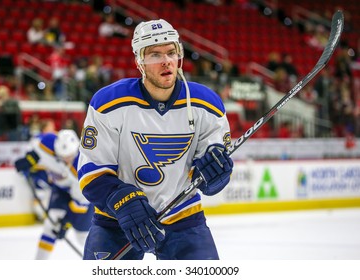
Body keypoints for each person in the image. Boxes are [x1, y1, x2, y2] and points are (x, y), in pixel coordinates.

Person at [78, 19, 234, 260]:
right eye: (154, 54)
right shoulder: (108, 103)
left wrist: (215, 174)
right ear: (139, 61)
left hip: (182, 217)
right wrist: (122, 200)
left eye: (171, 52)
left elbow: (207, 173)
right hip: (118, 219)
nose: (166, 61)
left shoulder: (206, 104)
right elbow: (91, 172)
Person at [15, 129, 94, 259]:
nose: (65, 161)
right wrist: (29, 160)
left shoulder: (83, 168)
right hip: (61, 190)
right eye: (62, 157)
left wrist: (66, 222)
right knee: (50, 226)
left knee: (82, 237)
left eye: (68, 157)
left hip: (82, 202)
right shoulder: (47, 143)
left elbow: (81, 203)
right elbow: (36, 151)